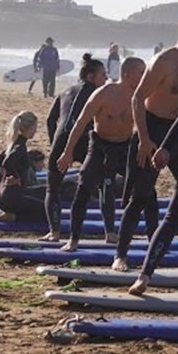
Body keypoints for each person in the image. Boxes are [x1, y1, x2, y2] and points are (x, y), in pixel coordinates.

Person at [113, 15, 178, 271]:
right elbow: (138, 98)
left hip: (177, 132)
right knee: (141, 195)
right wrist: (144, 140)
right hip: (153, 129)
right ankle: (120, 256)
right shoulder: (163, 61)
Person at [58, 57, 146, 252]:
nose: (144, 76)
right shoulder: (104, 93)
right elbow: (80, 123)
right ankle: (73, 239)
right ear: (127, 74)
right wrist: (67, 152)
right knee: (84, 188)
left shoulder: (140, 96)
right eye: (141, 72)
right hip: (99, 146)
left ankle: (114, 233)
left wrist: (148, 145)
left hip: (125, 148)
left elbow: (149, 123)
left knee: (144, 188)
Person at [41, 54, 107, 242]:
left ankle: (54, 232)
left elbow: (50, 120)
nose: (106, 79)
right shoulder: (94, 93)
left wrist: (55, 144)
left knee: (52, 189)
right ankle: (109, 232)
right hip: (83, 142)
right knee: (104, 186)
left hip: (61, 141)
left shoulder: (65, 92)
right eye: (103, 75)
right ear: (90, 77)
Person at [0, 111, 47, 223]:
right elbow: (7, 162)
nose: (36, 130)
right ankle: (12, 217)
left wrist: (9, 176)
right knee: (48, 211)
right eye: (35, 127)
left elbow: (0, 160)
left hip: (3, 196)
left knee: (44, 193)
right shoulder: (19, 146)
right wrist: (16, 177)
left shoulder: (14, 143)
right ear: (28, 127)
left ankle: (10, 213)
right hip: (12, 199)